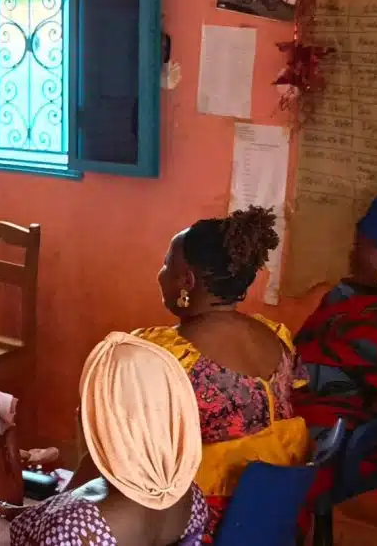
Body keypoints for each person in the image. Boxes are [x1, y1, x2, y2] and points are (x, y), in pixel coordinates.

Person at [136, 205, 309, 543]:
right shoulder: (277, 338)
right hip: (268, 519)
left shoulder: (170, 355)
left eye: (166, 264)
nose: (160, 274)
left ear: (187, 281)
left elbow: (120, 452)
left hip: (201, 526)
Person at [0, 333, 208, 546]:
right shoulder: (191, 498)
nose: (78, 413)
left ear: (104, 425)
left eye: (87, 405)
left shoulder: (76, 529)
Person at [293, 188, 377, 500]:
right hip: (290, 416)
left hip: (338, 443)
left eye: (362, 244)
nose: (352, 253)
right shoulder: (346, 297)